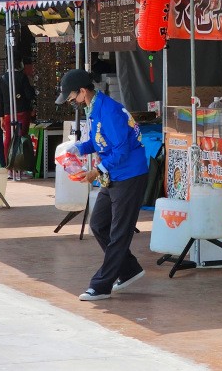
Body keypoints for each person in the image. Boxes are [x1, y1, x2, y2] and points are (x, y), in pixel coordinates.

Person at [57, 68, 148, 301]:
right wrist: (78, 148)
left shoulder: (108, 110)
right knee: (99, 224)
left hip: (129, 175)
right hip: (113, 175)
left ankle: (101, 285)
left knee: (119, 232)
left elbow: (121, 150)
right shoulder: (94, 108)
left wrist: (96, 171)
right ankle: (129, 270)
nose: (71, 102)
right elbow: (99, 141)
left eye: (71, 97)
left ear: (83, 91)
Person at [0, 58, 37, 180]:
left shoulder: (2, 79)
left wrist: (1, 117)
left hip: (7, 114)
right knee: (21, 138)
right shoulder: (22, 77)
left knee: (8, 140)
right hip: (22, 112)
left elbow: (0, 100)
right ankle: (21, 168)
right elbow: (29, 95)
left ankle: (9, 168)